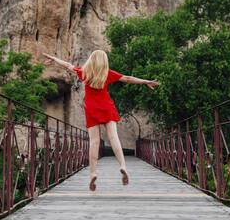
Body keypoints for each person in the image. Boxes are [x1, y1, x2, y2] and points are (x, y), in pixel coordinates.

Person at [42, 50, 160, 191]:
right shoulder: (107, 73)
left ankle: (93, 173)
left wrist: (54, 59)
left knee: (94, 141)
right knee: (113, 136)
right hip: (106, 106)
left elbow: (67, 65)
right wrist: (146, 81)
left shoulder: (84, 72)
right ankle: (122, 165)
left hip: (91, 108)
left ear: (91, 59)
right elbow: (127, 78)